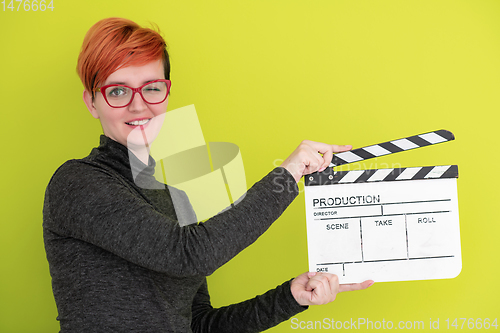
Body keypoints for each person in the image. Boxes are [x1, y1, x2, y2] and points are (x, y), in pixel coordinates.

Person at [43, 17, 373, 333]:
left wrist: (290, 297)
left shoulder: (176, 199)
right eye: (118, 91)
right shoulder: (76, 183)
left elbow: (199, 324)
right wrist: (287, 175)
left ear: (167, 94)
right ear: (92, 102)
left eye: (152, 87)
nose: (139, 106)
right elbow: (190, 255)